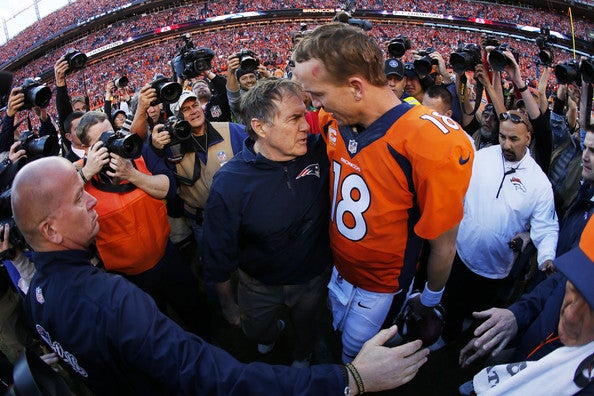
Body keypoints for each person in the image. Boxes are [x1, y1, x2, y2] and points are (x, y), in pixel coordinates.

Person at [15, 156, 429, 395]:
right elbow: (220, 379)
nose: (91, 200)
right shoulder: (113, 300)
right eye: (77, 197)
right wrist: (350, 378)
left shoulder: (36, 296)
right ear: (50, 229)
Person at [293, 23, 474, 362]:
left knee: (357, 359)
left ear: (356, 87)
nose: (315, 105)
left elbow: (444, 243)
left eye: (318, 94)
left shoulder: (432, 140)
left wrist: (430, 299)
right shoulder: (335, 119)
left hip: (381, 285)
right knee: (335, 335)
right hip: (338, 266)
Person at [202, 78, 331, 368]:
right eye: (294, 118)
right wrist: (227, 303)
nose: (306, 125)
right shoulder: (230, 183)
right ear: (260, 127)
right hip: (258, 285)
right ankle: (272, 332)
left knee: (308, 326)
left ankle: (302, 354)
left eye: (305, 113)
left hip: (311, 279)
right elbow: (218, 252)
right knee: (256, 330)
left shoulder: (322, 151)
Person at [75, 111, 209, 338]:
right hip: (129, 276)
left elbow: (168, 187)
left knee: (194, 308)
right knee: (155, 328)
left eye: (112, 133)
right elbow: (52, 203)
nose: (112, 141)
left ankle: (208, 338)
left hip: (166, 255)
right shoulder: (79, 178)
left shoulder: (137, 154)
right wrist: (87, 172)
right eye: (102, 140)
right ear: (89, 150)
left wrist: (132, 174)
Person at [441, 109, 558, 343]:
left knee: (479, 311)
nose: (505, 144)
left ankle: (470, 342)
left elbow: (546, 226)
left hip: (495, 267)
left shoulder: (539, 184)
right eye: (502, 137)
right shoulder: (482, 157)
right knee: (452, 299)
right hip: (461, 252)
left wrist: (547, 257)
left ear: (528, 138)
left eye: (513, 139)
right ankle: (447, 334)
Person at [459, 216, 594, 394]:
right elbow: (557, 282)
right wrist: (516, 314)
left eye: (592, 308)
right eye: (574, 288)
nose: (570, 315)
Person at [147, 90, 246, 248]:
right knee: (214, 266)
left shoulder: (230, 130)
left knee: (247, 260)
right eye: (185, 109)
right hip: (202, 221)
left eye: (195, 105)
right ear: (177, 117)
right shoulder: (171, 147)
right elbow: (156, 174)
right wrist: (155, 149)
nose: (193, 111)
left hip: (239, 214)